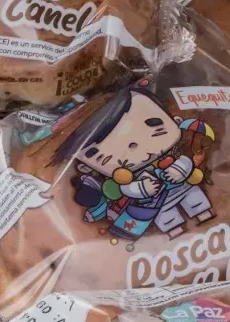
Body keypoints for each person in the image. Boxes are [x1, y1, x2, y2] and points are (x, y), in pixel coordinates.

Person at [57, 84, 215, 242]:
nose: (133, 145)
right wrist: (142, 188)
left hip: (181, 188)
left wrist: (180, 170)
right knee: (166, 217)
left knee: (195, 198)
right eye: (97, 153)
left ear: (176, 121)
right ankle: (175, 232)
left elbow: (185, 162)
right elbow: (128, 189)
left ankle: (205, 216)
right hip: (157, 203)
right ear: (84, 166)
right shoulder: (127, 178)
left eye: (153, 123)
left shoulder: (174, 155)